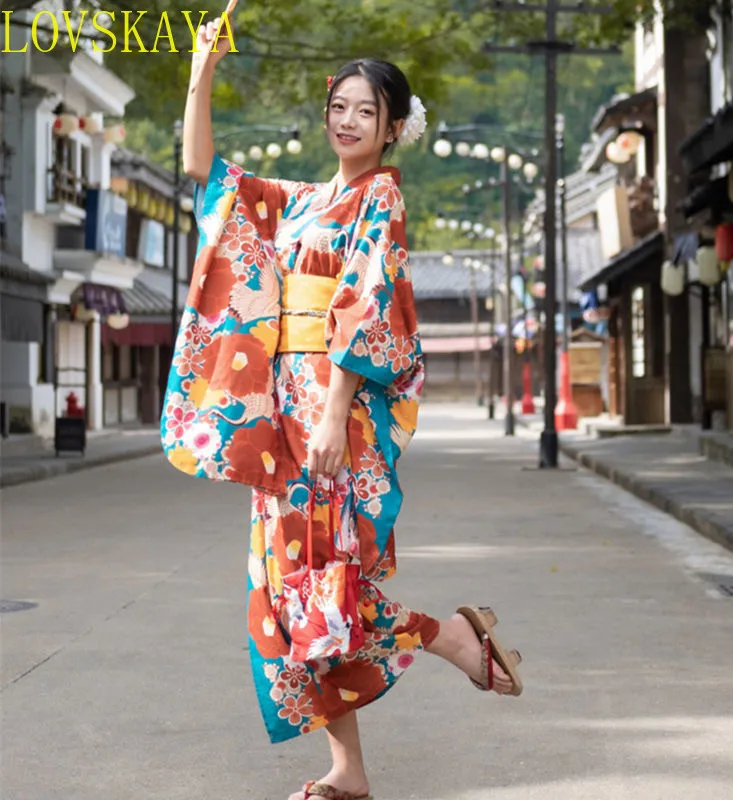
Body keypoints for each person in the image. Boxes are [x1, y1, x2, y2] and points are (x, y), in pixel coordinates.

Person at [163, 16, 524, 800]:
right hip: (280, 416)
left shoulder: (379, 197)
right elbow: (203, 171)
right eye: (341, 105)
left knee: (319, 582)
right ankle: (353, 764)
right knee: (290, 586)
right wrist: (202, 71)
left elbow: (366, 307)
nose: (348, 119)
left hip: (330, 412)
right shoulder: (297, 202)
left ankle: (448, 640)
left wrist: (331, 415)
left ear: (393, 127)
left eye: (367, 110)